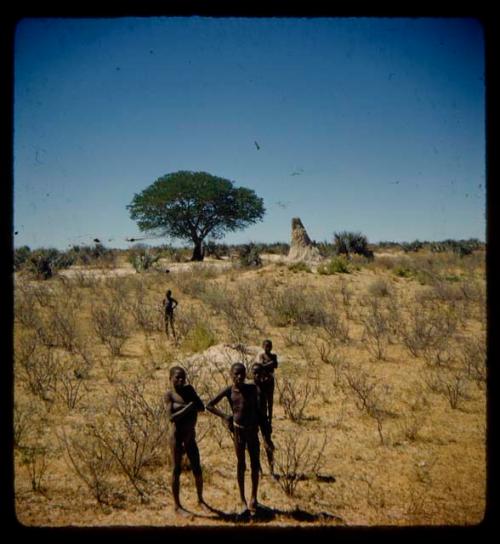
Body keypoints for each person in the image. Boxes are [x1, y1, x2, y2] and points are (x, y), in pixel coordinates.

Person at [206, 362, 266, 515]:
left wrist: (265, 429)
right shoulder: (229, 390)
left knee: (254, 463)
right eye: (236, 374)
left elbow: (259, 411)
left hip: (252, 431)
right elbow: (210, 405)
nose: (239, 376)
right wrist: (225, 416)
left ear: (246, 374)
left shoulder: (253, 389)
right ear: (231, 375)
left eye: (242, 373)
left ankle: (253, 498)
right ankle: (242, 500)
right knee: (241, 464)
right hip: (239, 432)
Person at [164, 366, 207, 516]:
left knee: (197, 468)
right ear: (170, 378)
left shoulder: (189, 390)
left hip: (190, 437)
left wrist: (193, 402)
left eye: (183, 377)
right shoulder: (169, 395)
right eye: (177, 377)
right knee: (176, 470)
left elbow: (201, 407)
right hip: (177, 438)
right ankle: (177, 506)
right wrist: (188, 408)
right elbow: (171, 418)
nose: (181, 380)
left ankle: (200, 500)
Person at [251, 362, 275, 477]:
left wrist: (270, 420)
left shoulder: (266, 386)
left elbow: (270, 403)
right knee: (255, 445)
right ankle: (259, 469)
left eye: (258, 373)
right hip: (253, 418)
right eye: (254, 373)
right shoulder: (249, 387)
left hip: (263, 417)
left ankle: (271, 469)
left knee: (267, 443)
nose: (256, 376)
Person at [258, 339, 278, 431]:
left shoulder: (274, 356)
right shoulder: (262, 356)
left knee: (270, 401)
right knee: (263, 401)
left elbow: (275, 365)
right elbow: (261, 366)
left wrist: (267, 365)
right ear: (263, 346)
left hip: (270, 381)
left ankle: (270, 420)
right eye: (266, 346)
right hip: (263, 381)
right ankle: (264, 419)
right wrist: (270, 364)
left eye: (269, 346)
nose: (268, 348)